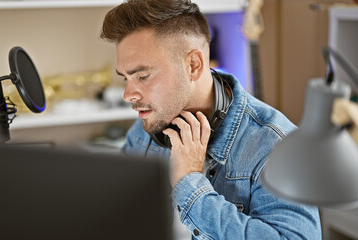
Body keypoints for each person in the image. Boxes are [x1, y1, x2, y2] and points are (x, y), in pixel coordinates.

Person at [100, 0, 322, 239]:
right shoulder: (150, 125)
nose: (127, 95)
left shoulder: (278, 146)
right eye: (125, 78)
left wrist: (189, 183)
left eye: (143, 76)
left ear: (193, 65)